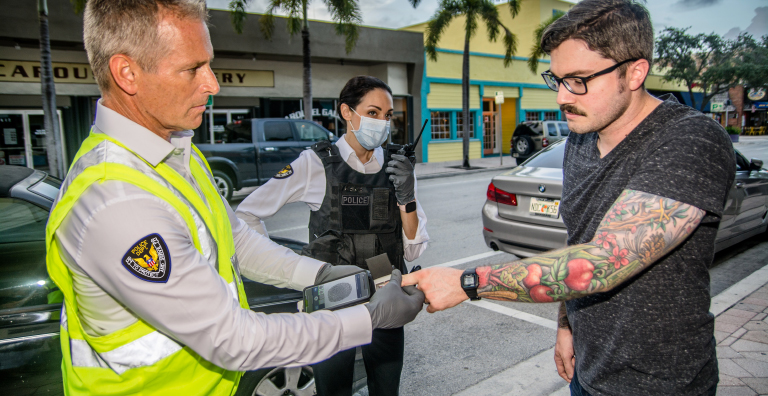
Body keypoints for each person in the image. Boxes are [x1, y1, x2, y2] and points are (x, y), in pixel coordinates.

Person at [44, 1, 424, 395]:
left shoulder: (177, 154)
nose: (213, 84)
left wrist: (319, 275)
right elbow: (232, 339)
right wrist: (369, 318)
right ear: (127, 73)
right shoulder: (116, 201)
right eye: (192, 68)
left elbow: (236, 238)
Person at [402, 0, 735, 394]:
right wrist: (566, 325)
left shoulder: (689, 140)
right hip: (588, 373)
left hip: (664, 383)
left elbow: (604, 261)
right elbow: (580, 241)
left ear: (635, 72)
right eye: (556, 79)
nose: (561, 97)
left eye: (578, 80)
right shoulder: (580, 140)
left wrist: (469, 282)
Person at [236, 75, 429, 396]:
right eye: (373, 112)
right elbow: (247, 213)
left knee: (386, 389)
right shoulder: (316, 163)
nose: (381, 122)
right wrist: (280, 266)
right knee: (333, 389)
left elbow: (412, 252)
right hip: (333, 292)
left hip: (385, 285)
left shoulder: (397, 168)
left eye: (387, 115)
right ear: (347, 112)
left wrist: (406, 195)